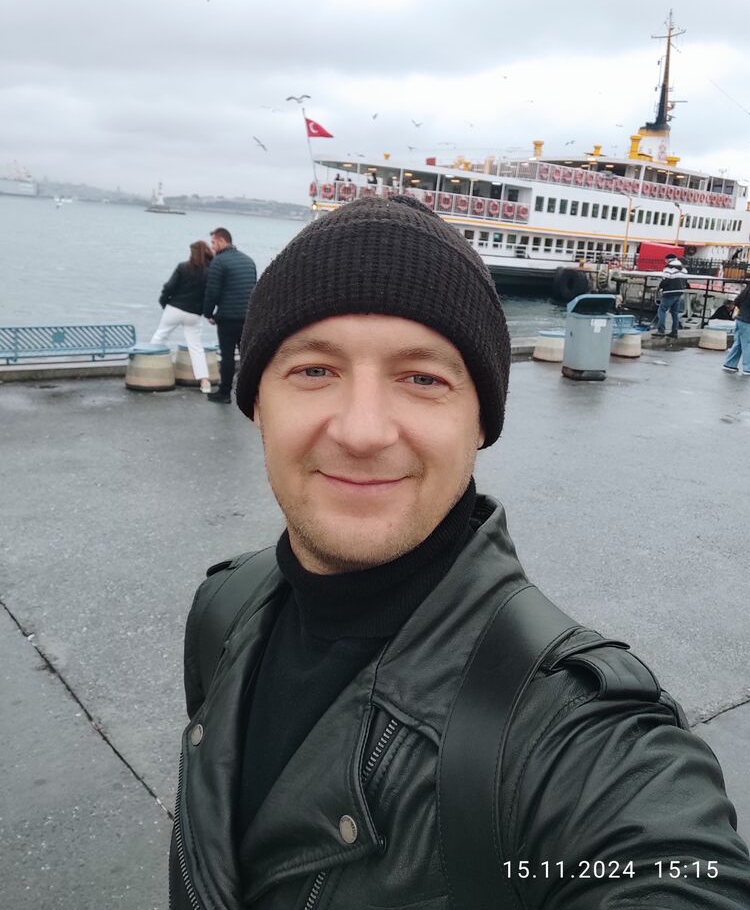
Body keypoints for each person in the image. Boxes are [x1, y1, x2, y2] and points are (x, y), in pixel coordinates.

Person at [170, 197, 750, 910]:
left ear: (481, 422)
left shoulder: (575, 734)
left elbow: (677, 867)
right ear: (257, 401)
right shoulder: (223, 609)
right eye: (315, 370)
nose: (362, 432)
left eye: (423, 379)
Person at [150, 240, 213, 393]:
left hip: (175, 308)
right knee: (196, 347)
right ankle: (204, 381)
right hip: (194, 314)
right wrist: (206, 311)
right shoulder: (211, 272)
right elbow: (210, 295)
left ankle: (150, 371)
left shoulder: (183, 267)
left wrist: (164, 302)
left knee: (160, 336)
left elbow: (169, 287)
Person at [202, 227, 257, 403]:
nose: (212, 247)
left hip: (227, 318)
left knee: (227, 356)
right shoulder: (248, 261)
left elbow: (212, 291)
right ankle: (250, 393)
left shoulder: (219, 262)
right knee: (246, 356)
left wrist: (208, 313)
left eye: (213, 242)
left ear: (221, 241)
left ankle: (224, 393)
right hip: (247, 317)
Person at [655, 256, 690, 337]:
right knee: (675, 312)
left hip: (669, 292)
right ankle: (674, 331)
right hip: (679, 292)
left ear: (668, 260)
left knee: (662, 310)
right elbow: (685, 281)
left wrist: (659, 287)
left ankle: (661, 330)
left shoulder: (668, 268)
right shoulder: (684, 269)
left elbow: (665, 280)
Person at [722, 281, 750, 374]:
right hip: (747, 322)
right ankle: (748, 368)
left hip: (739, 320)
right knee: (747, 345)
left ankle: (729, 364)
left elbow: (736, 302)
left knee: (738, 344)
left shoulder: (745, 291)